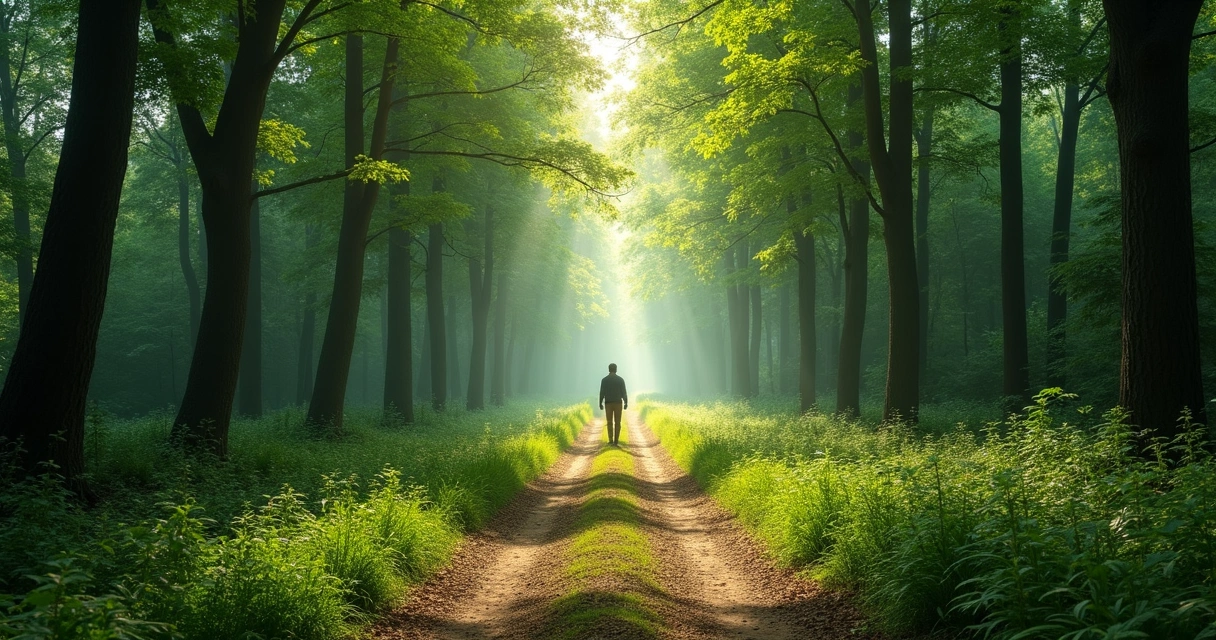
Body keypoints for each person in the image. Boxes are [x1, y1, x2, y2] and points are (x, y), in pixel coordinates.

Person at [598, 363, 628, 445]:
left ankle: (610, 440)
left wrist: (600, 403)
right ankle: (616, 441)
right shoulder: (620, 380)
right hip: (618, 403)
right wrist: (626, 402)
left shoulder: (604, 380)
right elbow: (624, 392)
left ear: (609, 369)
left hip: (608, 404)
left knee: (609, 422)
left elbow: (602, 393)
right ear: (616, 369)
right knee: (617, 422)